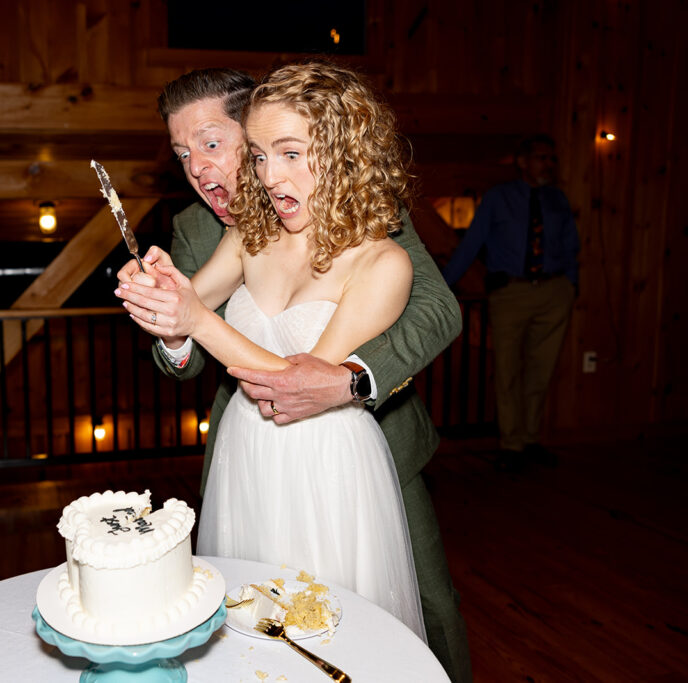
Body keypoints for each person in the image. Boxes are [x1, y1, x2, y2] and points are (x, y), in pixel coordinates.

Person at [117, 67, 472, 683]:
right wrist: (163, 309)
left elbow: (439, 308)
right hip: (246, 454)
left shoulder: (375, 226)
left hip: (363, 449)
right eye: (181, 153)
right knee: (251, 625)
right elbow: (184, 345)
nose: (199, 168)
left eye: (210, 143)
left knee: (400, 618)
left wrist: (353, 379)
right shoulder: (208, 230)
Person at [441, 134, 579, 472]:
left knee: (540, 370)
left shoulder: (558, 199)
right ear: (522, 162)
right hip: (511, 293)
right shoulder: (499, 198)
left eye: (552, 158)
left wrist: (570, 286)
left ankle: (531, 440)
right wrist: (442, 286)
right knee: (507, 371)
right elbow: (471, 243)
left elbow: (572, 245)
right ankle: (511, 445)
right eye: (541, 157)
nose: (547, 164)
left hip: (553, 292)